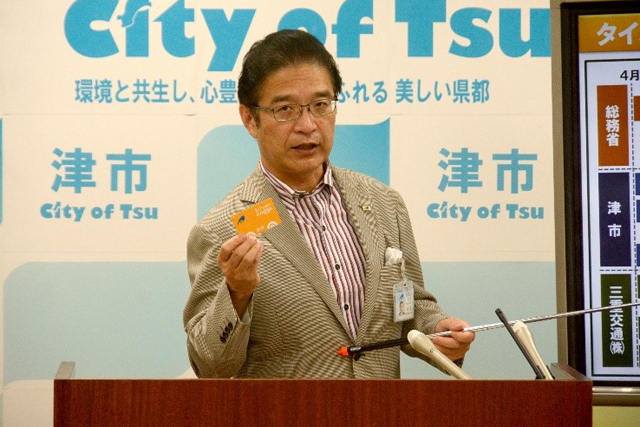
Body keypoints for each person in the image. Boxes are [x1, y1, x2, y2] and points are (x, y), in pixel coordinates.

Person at [183, 29, 474, 378]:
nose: (307, 125)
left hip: (381, 407)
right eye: (285, 109)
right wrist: (237, 293)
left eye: (321, 105)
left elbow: (408, 308)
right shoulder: (222, 229)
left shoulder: (384, 203)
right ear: (250, 119)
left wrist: (435, 328)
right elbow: (210, 364)